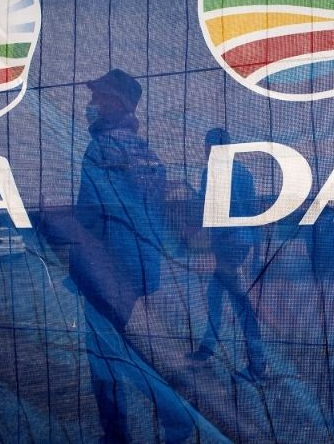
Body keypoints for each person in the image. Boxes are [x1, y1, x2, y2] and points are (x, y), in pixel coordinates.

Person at [64, 69, 197, 444]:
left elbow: (90, 214)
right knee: (114, 348)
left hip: (104, 270)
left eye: (97, 97)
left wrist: (58, 227)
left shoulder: (102, 148)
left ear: (116, 103)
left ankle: (152, 422)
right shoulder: (147, 152)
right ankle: (143, 424)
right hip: (137, 270)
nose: (89, 105)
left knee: (106, 354)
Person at [185, 128, 266, 381]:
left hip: (227, 243)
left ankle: (257, 363)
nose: (205, 151)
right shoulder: (244, 172)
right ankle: (207, 349)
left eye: (208, 146)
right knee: (217, 294)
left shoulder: (211, 172)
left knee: (237, 300)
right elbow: (254, 211)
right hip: (240, 242)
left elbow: (205, 206)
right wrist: (256, 252)